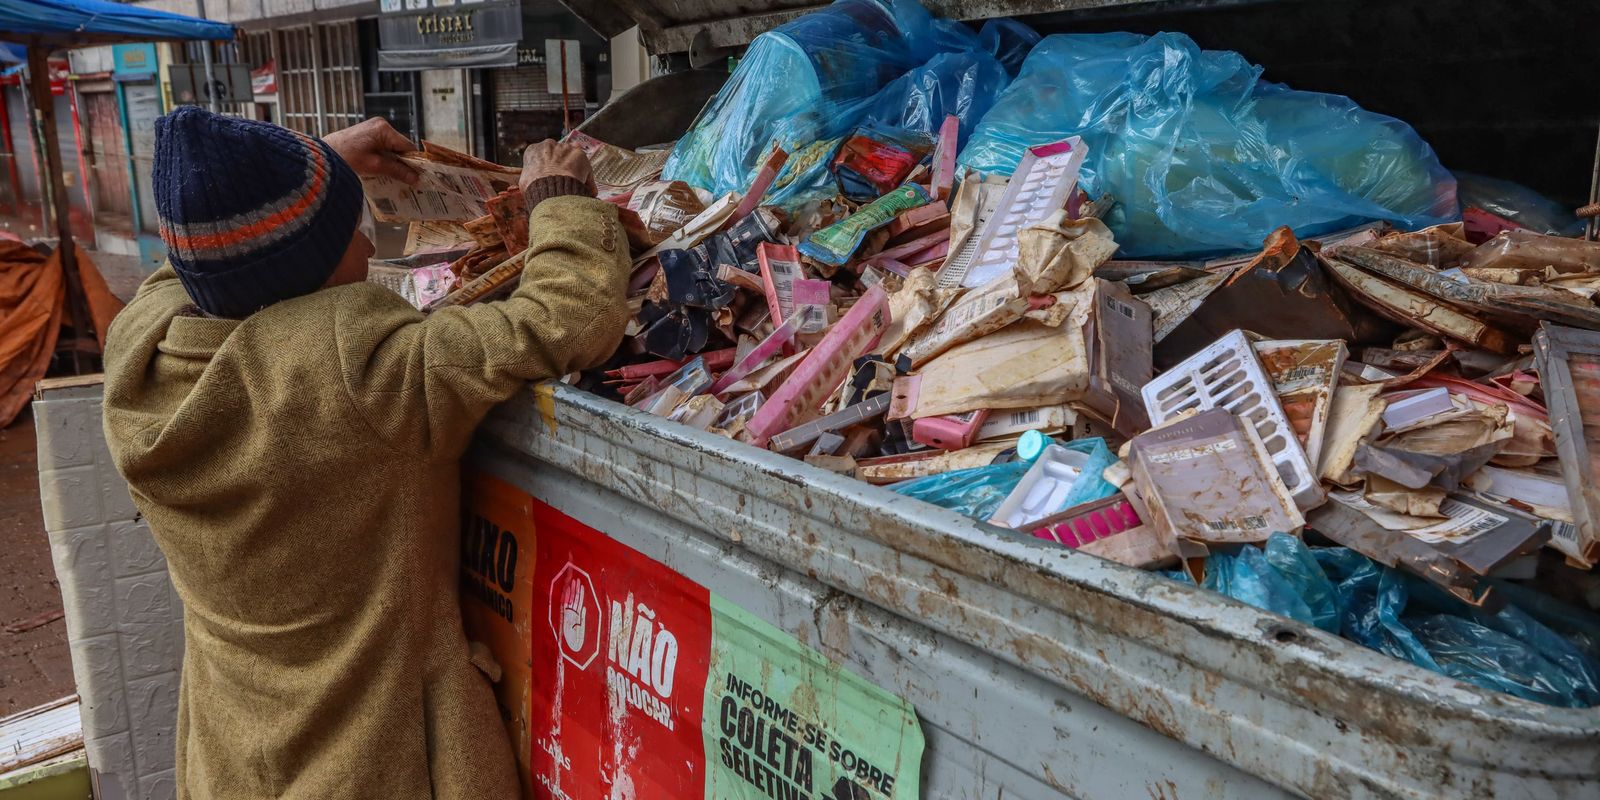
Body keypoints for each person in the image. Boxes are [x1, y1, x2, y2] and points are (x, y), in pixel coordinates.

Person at [101, 107, 630, 799]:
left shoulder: (138, 352)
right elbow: (567, 315)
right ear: (317, 268)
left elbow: (201, 257)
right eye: (355, 229)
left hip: (234, 750)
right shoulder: (363, 376)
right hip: (382, 758)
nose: (369, 244)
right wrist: (558, 203)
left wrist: (316, 164)